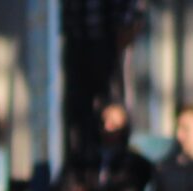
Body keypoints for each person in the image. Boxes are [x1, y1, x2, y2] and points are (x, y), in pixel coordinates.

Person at [61, 0, 147, 155]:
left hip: (110, 42)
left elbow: (135, 14)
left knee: (113, 110)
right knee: (80, 114)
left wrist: (127, 28)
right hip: (78, 42)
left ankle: (115, 158)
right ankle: (85, 156)